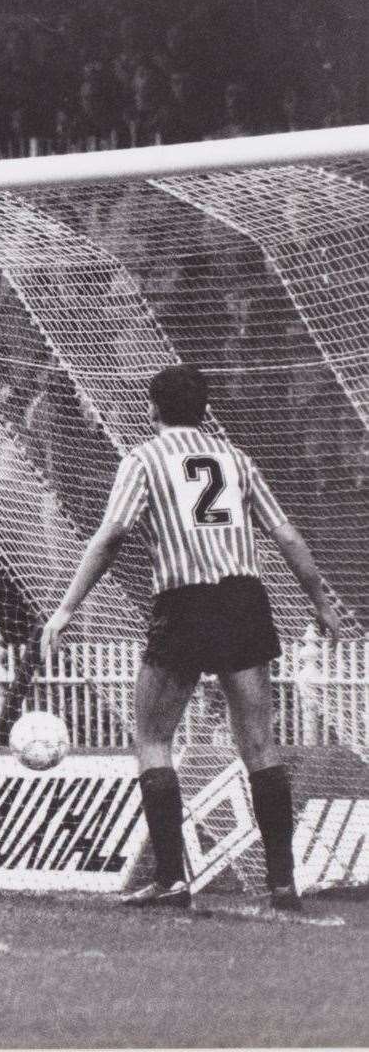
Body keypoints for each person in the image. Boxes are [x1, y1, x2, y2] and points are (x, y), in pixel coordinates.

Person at [42, 364, 340, 912]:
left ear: (152, 408)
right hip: (244, 601)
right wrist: (320, 601)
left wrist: (66, 607)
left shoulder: (143, 459)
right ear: (204, 409)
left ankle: (172, 879)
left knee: (153, 739)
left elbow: (111, 537)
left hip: (185, 602)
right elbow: (286, 534)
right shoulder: (236, 460)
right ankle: (282, 883)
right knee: (258, 743)